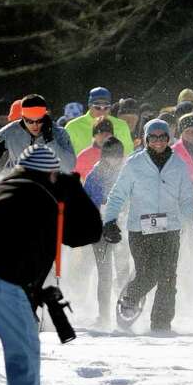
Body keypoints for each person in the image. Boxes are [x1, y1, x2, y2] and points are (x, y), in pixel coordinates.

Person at [0, 145, 102, 385]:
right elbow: (87, 232)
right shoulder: (47, 194)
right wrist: (73, 187)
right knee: (23, 356)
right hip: (1, 281)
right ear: (52, 174)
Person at [102, 119, 193, 333]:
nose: (158, 141)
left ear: (169, 139)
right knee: (149, 272)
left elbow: (186, 199)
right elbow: (117, 196)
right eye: (153, 137)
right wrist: (110, 221)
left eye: (162, 137)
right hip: (141, 229)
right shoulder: (134, 164)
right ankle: (131, 298)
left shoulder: (178, 165)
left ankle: (161, 325)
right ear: (146, 139)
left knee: (168, 276)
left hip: (169, 229)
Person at [83, 137, 129, 326]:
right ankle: (104, 315)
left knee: (124, 270)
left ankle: (126, 311)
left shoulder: (127, 171)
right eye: (110, 156)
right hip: (100, 230)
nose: (114, 160)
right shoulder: (95, 174)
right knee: (104, 273)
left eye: (117, 156)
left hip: (124, 227)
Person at [0, 95, 76, 173]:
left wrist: (50, 142)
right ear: (22, 117)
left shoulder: (59, 132)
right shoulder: (8, 132)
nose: (35, 125)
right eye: (29, 121)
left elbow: (69, 167)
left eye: (39, 120)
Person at [64, 87, 135, 157]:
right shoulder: (72, 127)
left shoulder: (121, 125)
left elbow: (129, 155)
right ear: (89, 106)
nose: (102, 111)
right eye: (97, 107)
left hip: (114, 167)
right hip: (81, 167)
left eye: (106, 107)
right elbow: (64, 156)